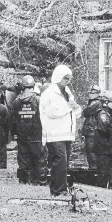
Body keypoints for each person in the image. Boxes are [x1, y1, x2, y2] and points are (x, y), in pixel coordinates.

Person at [39, 65, 81, 196]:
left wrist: (76, 107)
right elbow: (51, 112)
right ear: (58, 77)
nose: (68, 81)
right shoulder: (49, 94)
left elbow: (77, 113)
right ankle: (59, 190)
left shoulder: (68, 93)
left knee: (64, 164)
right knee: (60, 163)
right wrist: (69, 107)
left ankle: (59, 188)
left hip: (67, 134)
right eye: (65, 78)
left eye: (69, 79)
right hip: (54, 134)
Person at [12, 75, 48, 185]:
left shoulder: (16, 102)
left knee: (23, 161)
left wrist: (15, 134)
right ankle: (40, 182)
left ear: (22, 87)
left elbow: (13, 121)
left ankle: (25, 182)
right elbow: (44, 118)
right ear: (33, 86)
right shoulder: (39, 100)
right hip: (37, 137)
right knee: (40, 161)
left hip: (22, 138)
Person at [93, 90, 112, 188]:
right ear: (106, 102)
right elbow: (106, 129)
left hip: (107, 148)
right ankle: (101, 191)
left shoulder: (110, 113)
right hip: (103, 148)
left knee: (109, 172)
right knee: (103, 173)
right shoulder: (103, 114)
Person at [81, 85, 102, 169]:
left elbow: (85, 112)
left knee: (91, 152)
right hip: (91, 131)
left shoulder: (96, 102)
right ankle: (93, 169)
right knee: (90, 152)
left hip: (92, 131)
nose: (90, 94)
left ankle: (94, 171)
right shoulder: (94, 102)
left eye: (92, 93)